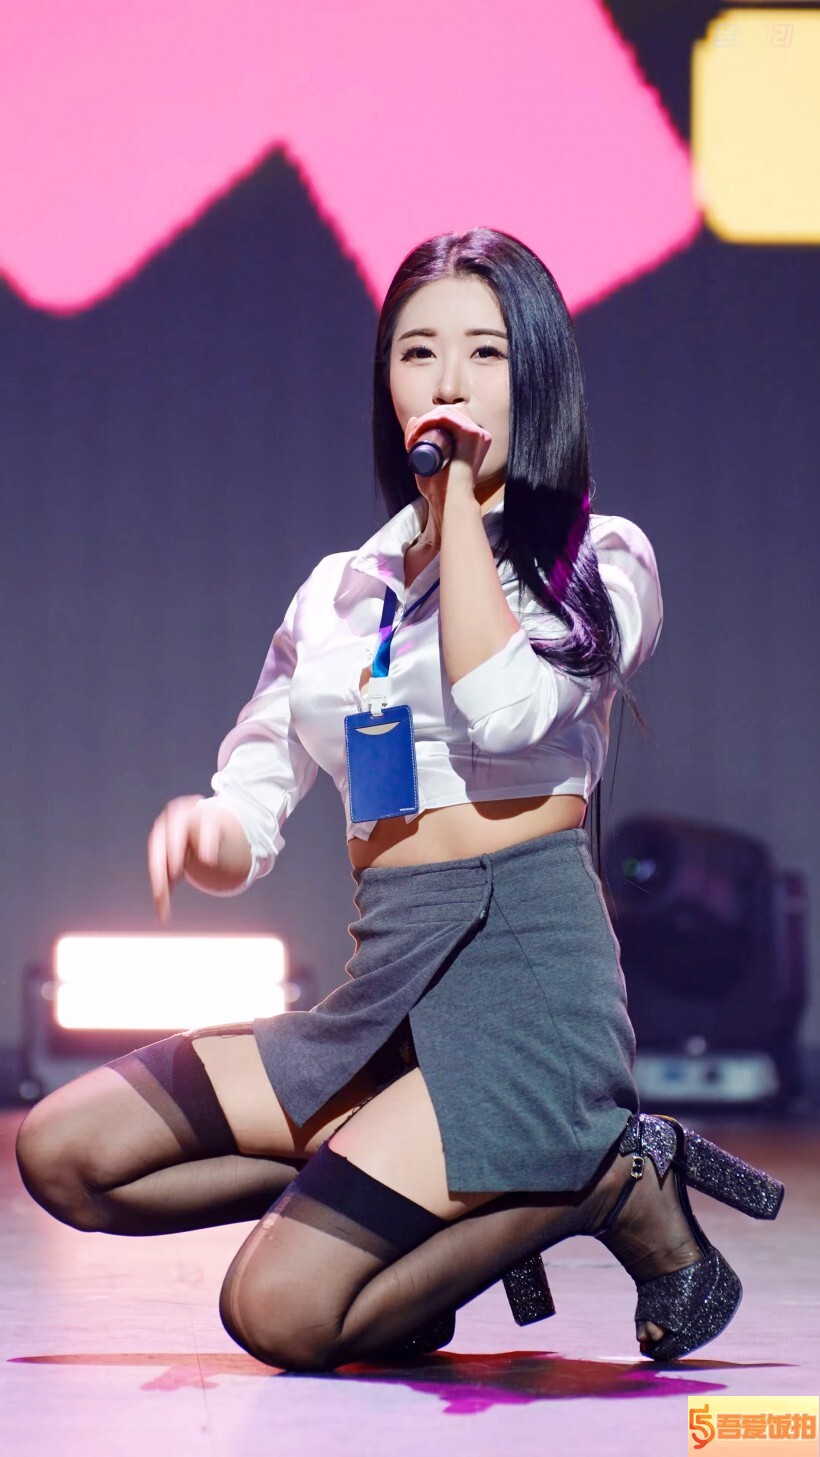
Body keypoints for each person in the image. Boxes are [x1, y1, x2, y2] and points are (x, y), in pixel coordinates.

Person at [15, 228, 783, 1372]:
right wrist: (204, 832)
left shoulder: (603, 559)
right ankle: (402, 1214)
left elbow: (507, 709)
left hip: (525, 984)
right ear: (388, 381)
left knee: (276, 1312)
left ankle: (604, 1174)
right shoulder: (340, 591)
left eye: (484, 351)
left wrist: (460, 505)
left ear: (535, 375)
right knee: (65, 1150)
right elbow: (251, 804)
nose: (448, 378)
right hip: (385, 984)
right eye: (418, 351)